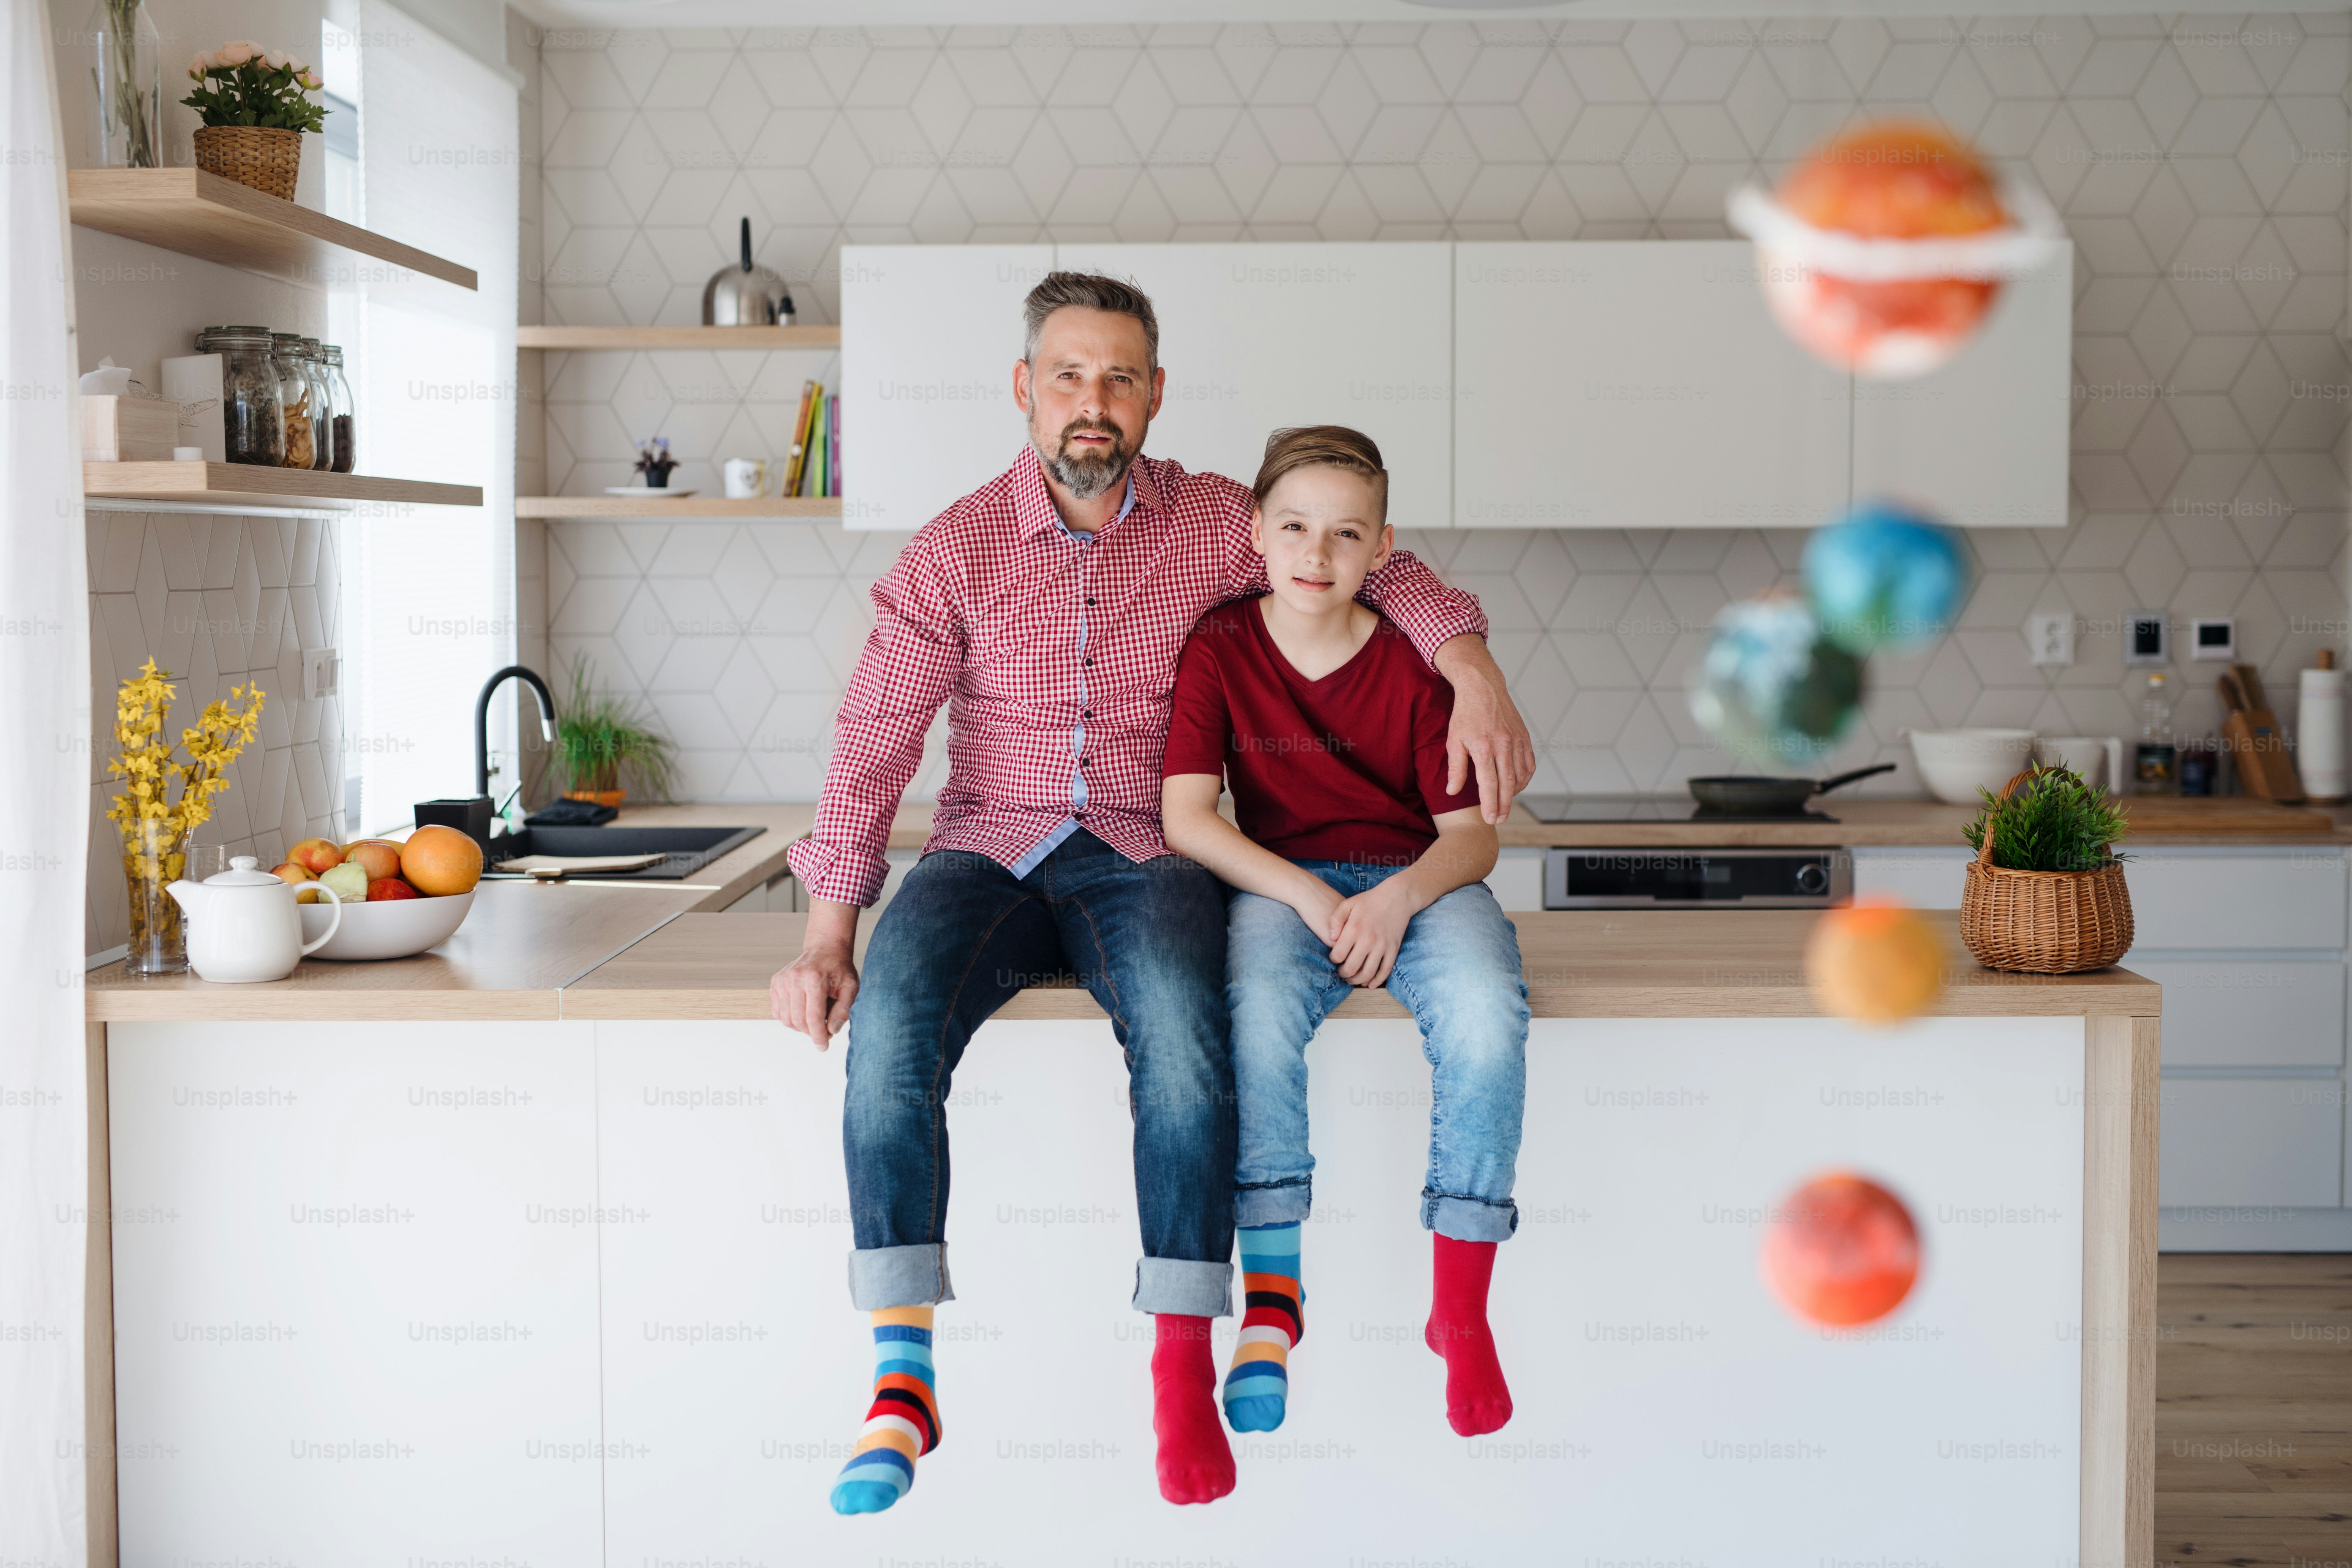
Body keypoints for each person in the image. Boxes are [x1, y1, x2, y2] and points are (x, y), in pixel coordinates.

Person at [770, 272, 1535, 1513]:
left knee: (1187, 1040)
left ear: (1156, 396)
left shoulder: (1215, 519)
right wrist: (825, 935)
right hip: (988, 848)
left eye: (1120, 377)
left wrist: (1470, 661)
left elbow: (1359, 556)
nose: (1094, 402)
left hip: (1149, 848)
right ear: (1025, 390)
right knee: (893, 1028)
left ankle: (1183, 1365)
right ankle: (902, 1379)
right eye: (1068, 375)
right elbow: (872, 740)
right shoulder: (955, 547)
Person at [1160, 425, 1530, 1444]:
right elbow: (1189, 816)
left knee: (1488, 1014)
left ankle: (1459, 1307)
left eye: (1345, 534)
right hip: (1284, 886)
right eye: (1294, 527)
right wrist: (1314, 901)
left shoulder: (1416, 659)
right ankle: (1275, 1302)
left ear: (1382, 548)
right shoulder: (1221, 646)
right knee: (1259, 1010)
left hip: (1417, 879)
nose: (1316, 555)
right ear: (1257, 533)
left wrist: (1398, 897)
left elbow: (1472, 841)